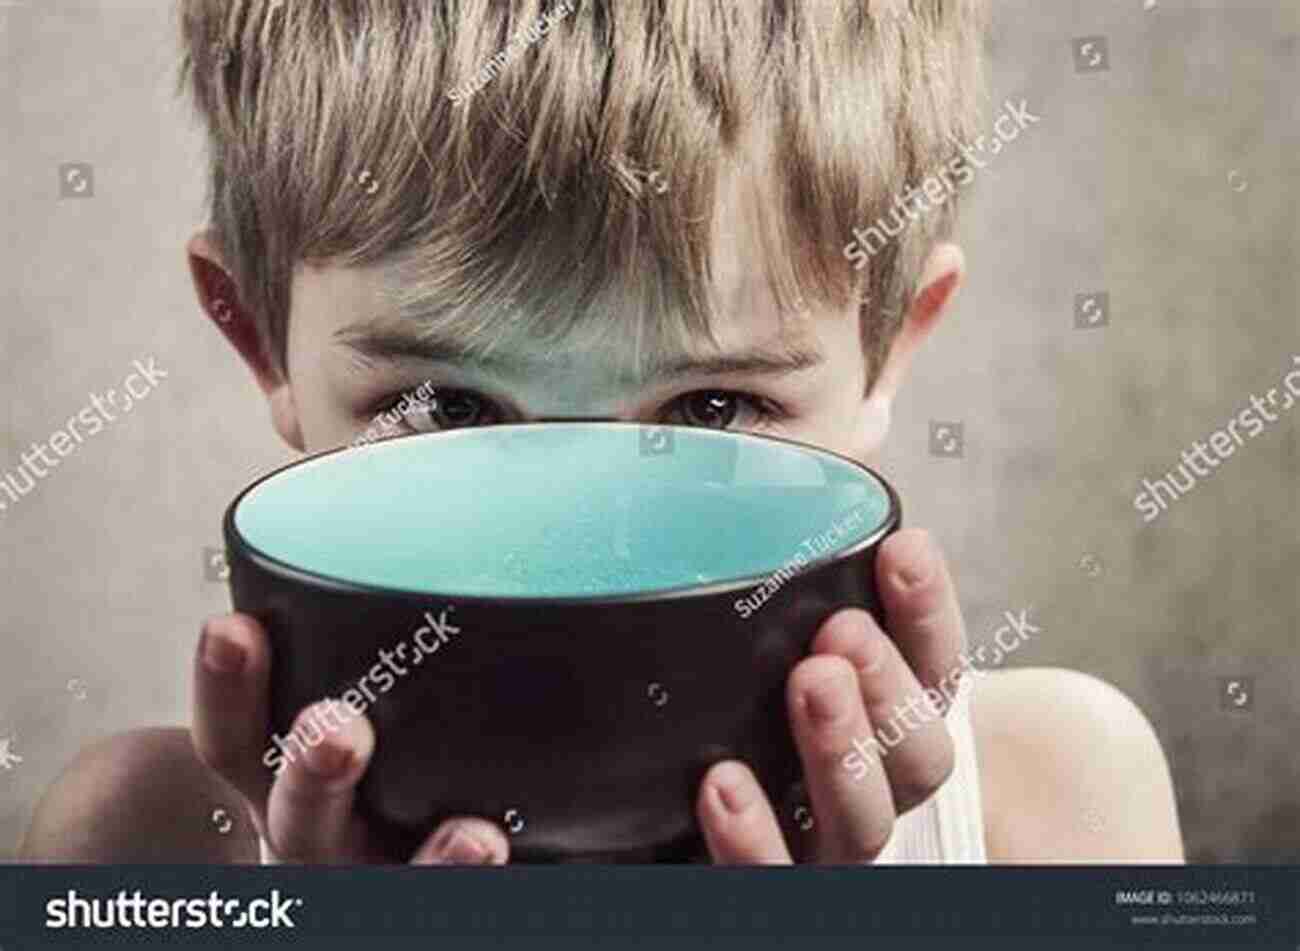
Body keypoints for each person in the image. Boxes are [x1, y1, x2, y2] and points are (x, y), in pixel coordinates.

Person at [20, 0, 1182, 866]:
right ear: (260, 342)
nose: (578, 549)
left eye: (713, 411)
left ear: (890, 352)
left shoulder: (1058, 799)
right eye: (448, 409)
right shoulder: (141, 847)